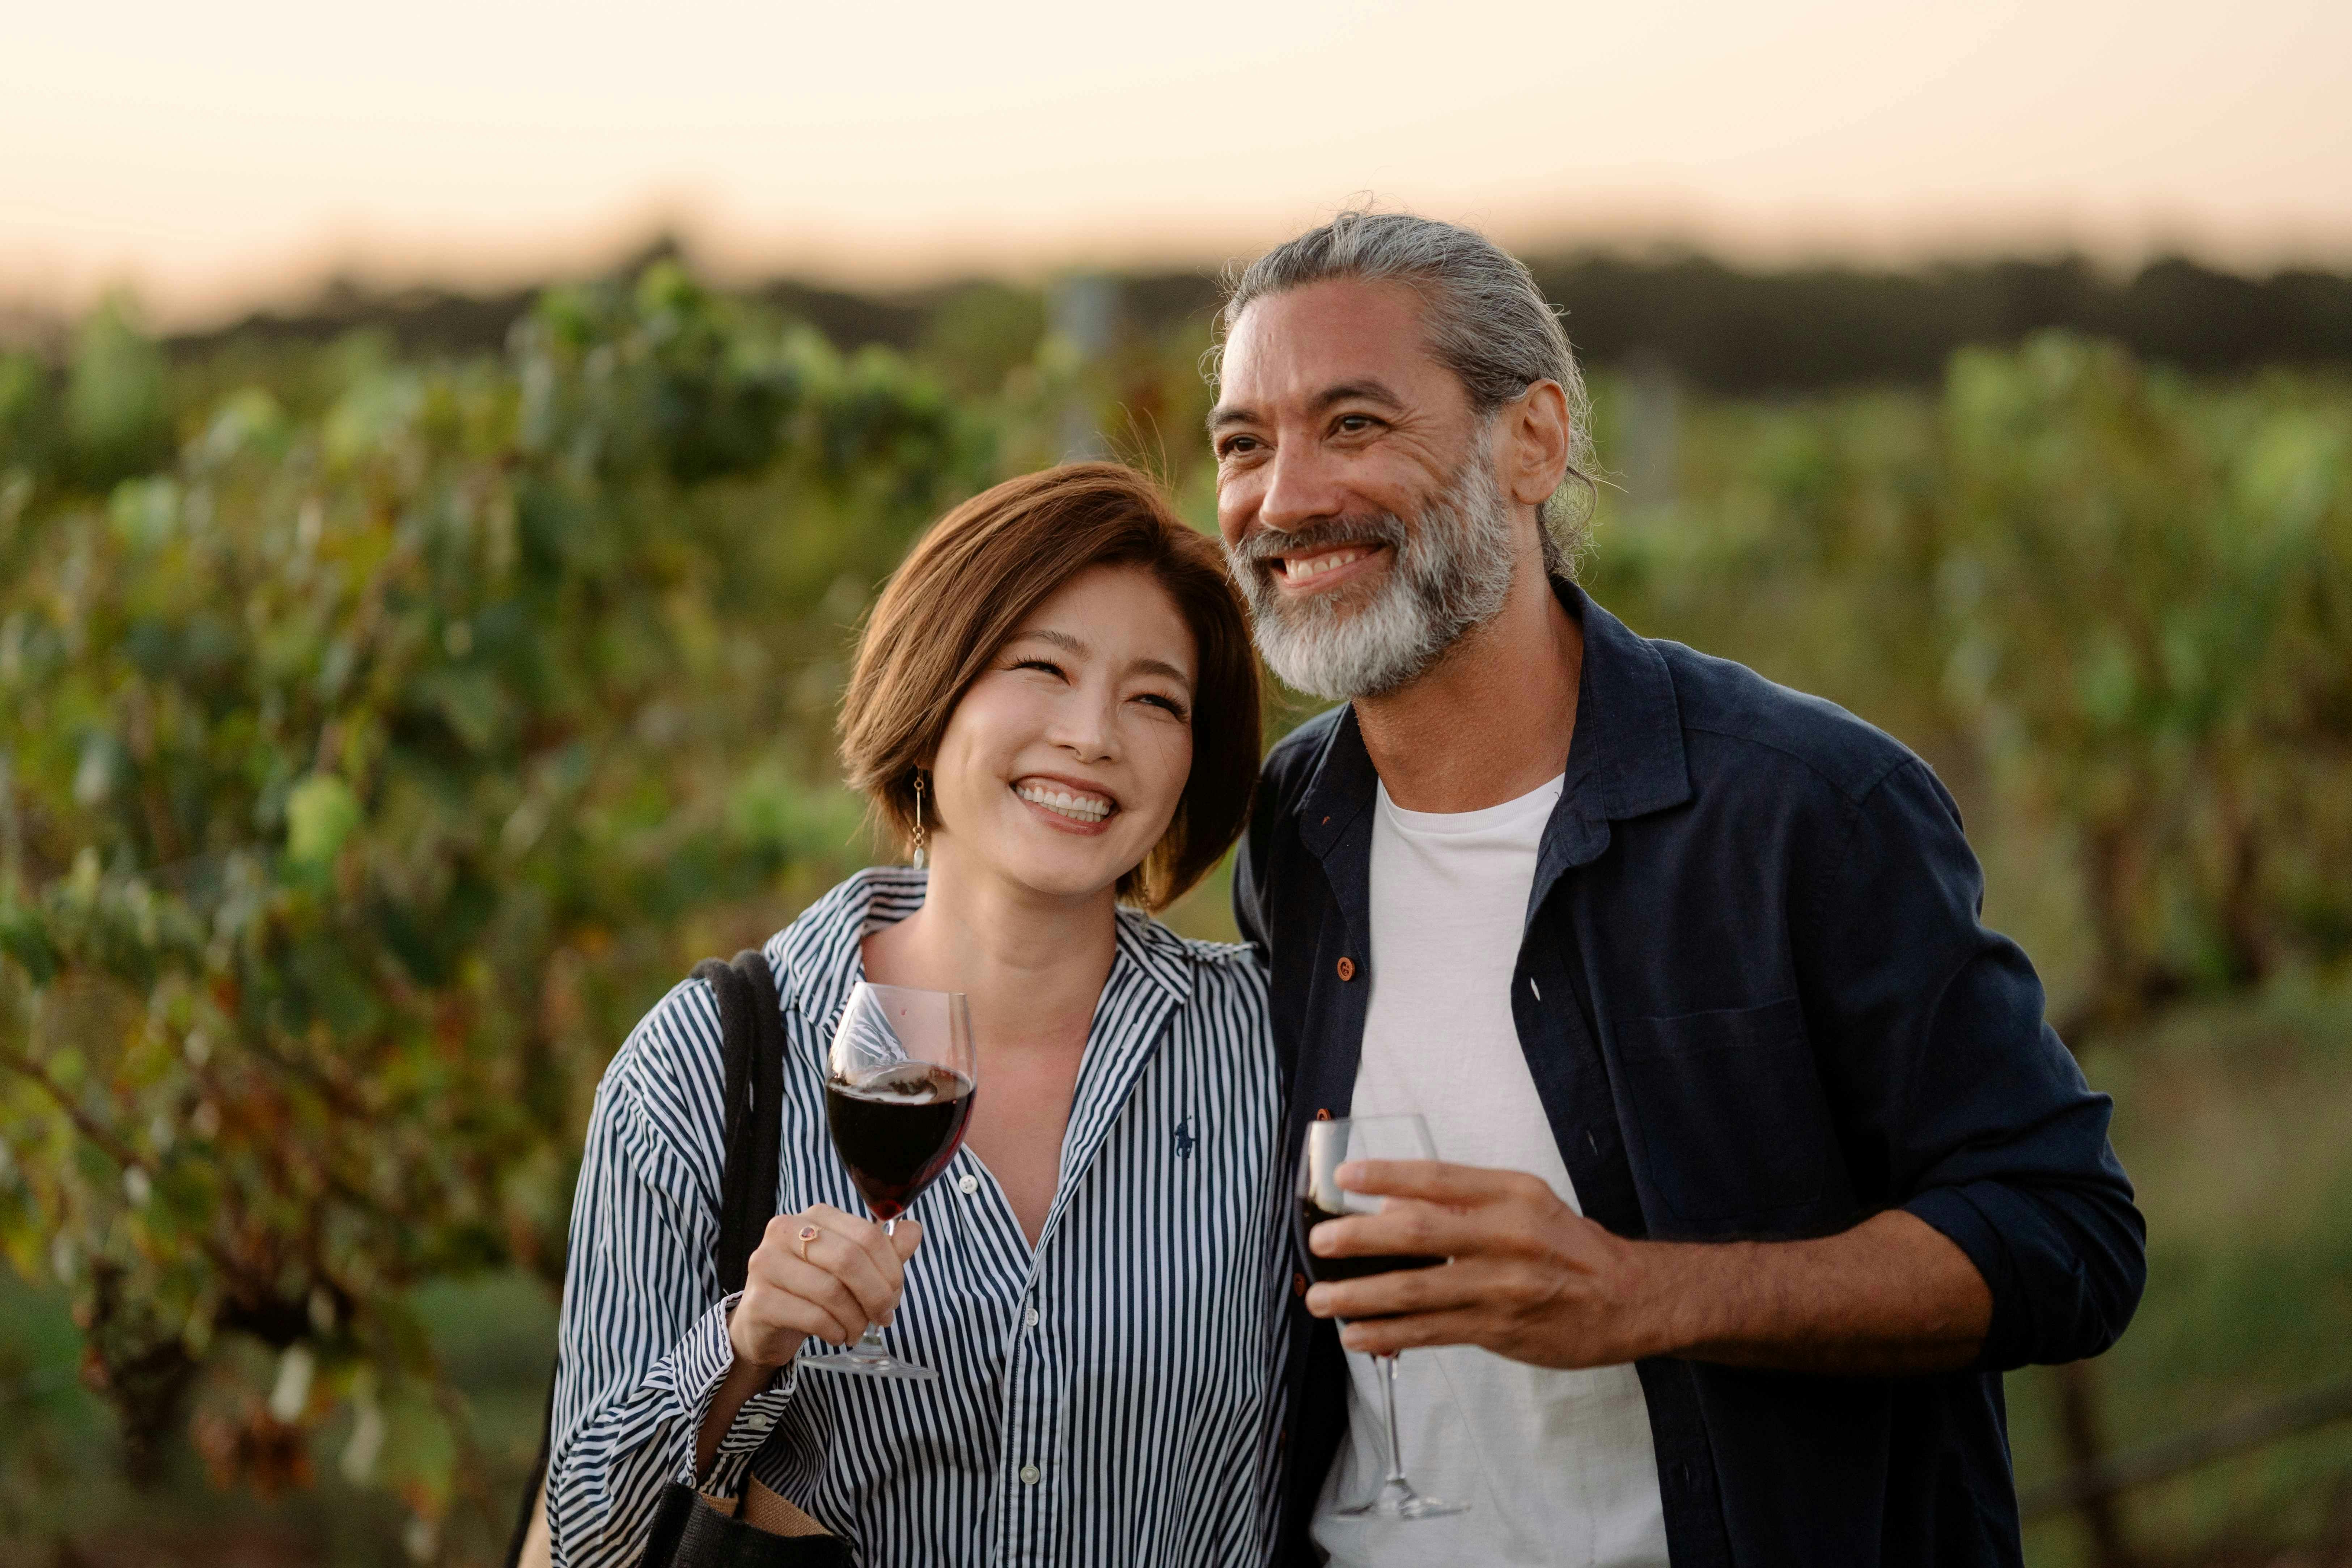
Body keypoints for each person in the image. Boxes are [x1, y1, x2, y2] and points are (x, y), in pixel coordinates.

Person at [1211, 212, 2146, 1566]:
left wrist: (1646, 1296)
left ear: (1533, 442)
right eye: (1245, 444)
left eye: (1353, 424)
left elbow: (2068, 1236)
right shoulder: (1293, 829)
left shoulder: (1807, 808)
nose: (1286, 498)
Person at [545, 464, 1284, 1567]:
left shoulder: (1265, 1049)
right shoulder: (707, 1065)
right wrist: (742, 1349)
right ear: (934, 695)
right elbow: (585, 1533)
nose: (1094, 736)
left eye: (1155, 701)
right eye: (1043, 668)